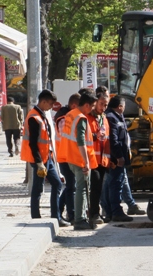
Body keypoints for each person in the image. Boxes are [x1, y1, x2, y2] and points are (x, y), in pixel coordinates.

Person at [20, 89, 68, 227]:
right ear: (43, 101)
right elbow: (33, 143)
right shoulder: (34, 117)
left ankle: (55, 216)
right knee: (38, 188)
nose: (51, 107)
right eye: (50, 104)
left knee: (56, 184)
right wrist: (39, 162)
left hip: (47, 158)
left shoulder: (41, 115)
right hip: (40, 159)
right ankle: (38, 217)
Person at [57, 90, 98, 230]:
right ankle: (80, 219)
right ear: (86, 105)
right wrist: (86, 162)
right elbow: (81, 140)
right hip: (79, 158)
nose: (93, 109)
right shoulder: (81, 118)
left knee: (80, 188)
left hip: (70, 157)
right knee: (82, 188)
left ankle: (80, 217)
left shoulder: (70, 114)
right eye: (92, 106)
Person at [103, 96, 137, 222]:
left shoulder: (116, 117)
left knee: (113, 183)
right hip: (115, 158)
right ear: (120, 106)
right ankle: (115, 211)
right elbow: (113, 140)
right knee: (115, 184)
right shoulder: (112, 118)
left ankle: (111, 211)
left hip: (118, 156)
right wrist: (119, 157)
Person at [55, 93, 80, 223]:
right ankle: (71, 214)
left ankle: (60, 209)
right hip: (65, 157)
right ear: (74, 105)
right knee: (71, 186)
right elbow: (68, 138)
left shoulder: (67, 116)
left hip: (68, 156)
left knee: (71, 185)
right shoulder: (64, 118)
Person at [87, 91, 111, 225]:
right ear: (95, 103)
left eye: (106, 105)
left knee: (99, 188)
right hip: (91, 159)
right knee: (94, 188)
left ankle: (96, 212)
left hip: (102, 160)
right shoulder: (88, 117)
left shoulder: (104, 118)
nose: (103, 107)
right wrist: (95, 136)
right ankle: (93, 213)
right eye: (101, 104)